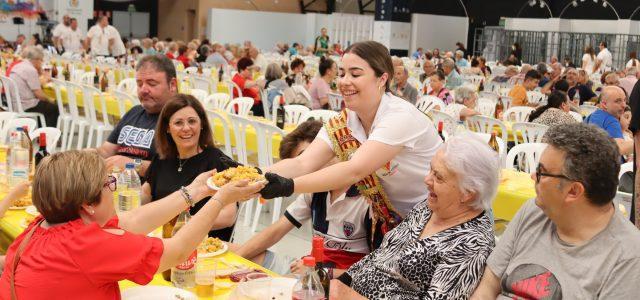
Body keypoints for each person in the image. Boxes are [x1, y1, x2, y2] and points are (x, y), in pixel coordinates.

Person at [0, 150, 264, 298]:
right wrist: (220, 199)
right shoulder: (86, 246)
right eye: (108, 184)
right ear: (88, 205)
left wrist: (195, 192)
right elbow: (180, 250)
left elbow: (132, 221)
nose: (112, 190)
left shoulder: (43, 224)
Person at [259, 41, 442, 246]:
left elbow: (354, 170)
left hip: (437, 222)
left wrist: (289, 186)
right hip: (396, 224)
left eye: (355, 75)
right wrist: (253, 175)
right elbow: (303, 163)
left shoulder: (399, 116)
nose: (344, 82)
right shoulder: (345, 120)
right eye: (342, 73)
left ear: (382, 78)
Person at [471, 123, 640, 299]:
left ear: (573, 191)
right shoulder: (533, 210)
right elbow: (489, 285)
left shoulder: (628, 258)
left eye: (541, 172)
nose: (533, 176)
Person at [330, 134, 498, 299]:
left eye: (438, 177)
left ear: (468, 193)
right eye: (431, 170)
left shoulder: (472, 244)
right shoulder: (430, 207)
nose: (427, 179)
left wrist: (348, 296)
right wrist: (334, 281)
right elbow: (381, 256)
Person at [237, 120, 374, 277]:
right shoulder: (315, 191)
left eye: (308, 158)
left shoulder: (368, 196)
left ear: (329, 148)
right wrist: (234, 259)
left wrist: (322, 273)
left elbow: (376, 276)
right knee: (238, 252)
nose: (307, 168)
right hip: (310, 270)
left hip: (342, 282)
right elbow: (275, 231)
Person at [142, 94, 238, 241]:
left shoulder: (217, 161)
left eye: (192, 121)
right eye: (178, 123)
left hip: (202, 246)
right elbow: (144, 197)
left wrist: (184, 223)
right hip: (162, 241)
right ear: (167, 128)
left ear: (202, 124)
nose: (186, 128)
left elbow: (229, 216)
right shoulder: (162, 158)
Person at [96, 55, 178, 176]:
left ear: (172, 85)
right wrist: (84, 154)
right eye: (139, 84)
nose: (143, 90)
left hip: (145, 190)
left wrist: (132, 164)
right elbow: (107, 150)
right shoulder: (134, 112)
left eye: (152, 83)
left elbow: (175, 169)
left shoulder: (180, 120)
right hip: (115, 183)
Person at [7, 46, 59, 127]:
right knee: (53, 108)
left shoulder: (18, 65)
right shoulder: (30, 70)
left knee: (45, 106)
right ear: (37, 60)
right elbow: (39, 94)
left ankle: (41, 130)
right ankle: (48, 135)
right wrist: (50, 100)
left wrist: (40, 71)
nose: (42, 63)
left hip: (14, 104)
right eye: (41, 61)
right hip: (26, 105)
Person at [584, 86, 633, 156]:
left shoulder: (592, 115)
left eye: (624, 100)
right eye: (618, 101)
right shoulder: (611, 121)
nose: (624, 105)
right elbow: (619, 148)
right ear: (604, 104)